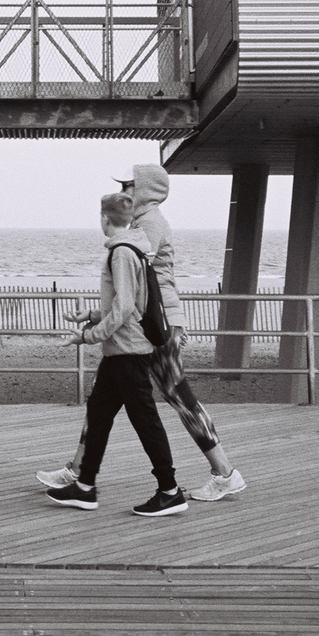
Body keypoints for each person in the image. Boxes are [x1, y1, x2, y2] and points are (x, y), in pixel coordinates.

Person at [39, 161, 249, 502]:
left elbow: (136, 290)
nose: (123, 190)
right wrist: (97, 314)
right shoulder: (142, 222)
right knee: (105, 400)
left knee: (178, 397)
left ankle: (223, 473)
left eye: (128, 185)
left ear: (146, 189)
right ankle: (79, 472)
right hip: (149, 322)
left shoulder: (149, 223)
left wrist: (98, 322)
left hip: (154, 326)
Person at [44, 191, 187, 516]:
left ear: (105, 219)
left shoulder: (121, 252)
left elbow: (124, 308)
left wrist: (88, 336)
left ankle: (170, 491)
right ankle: (84, 488)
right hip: (119, 353)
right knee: (98, 415)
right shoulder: (134, 248)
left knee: (145, 421)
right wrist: (93, 315)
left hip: (128, 352)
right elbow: (132, 302)